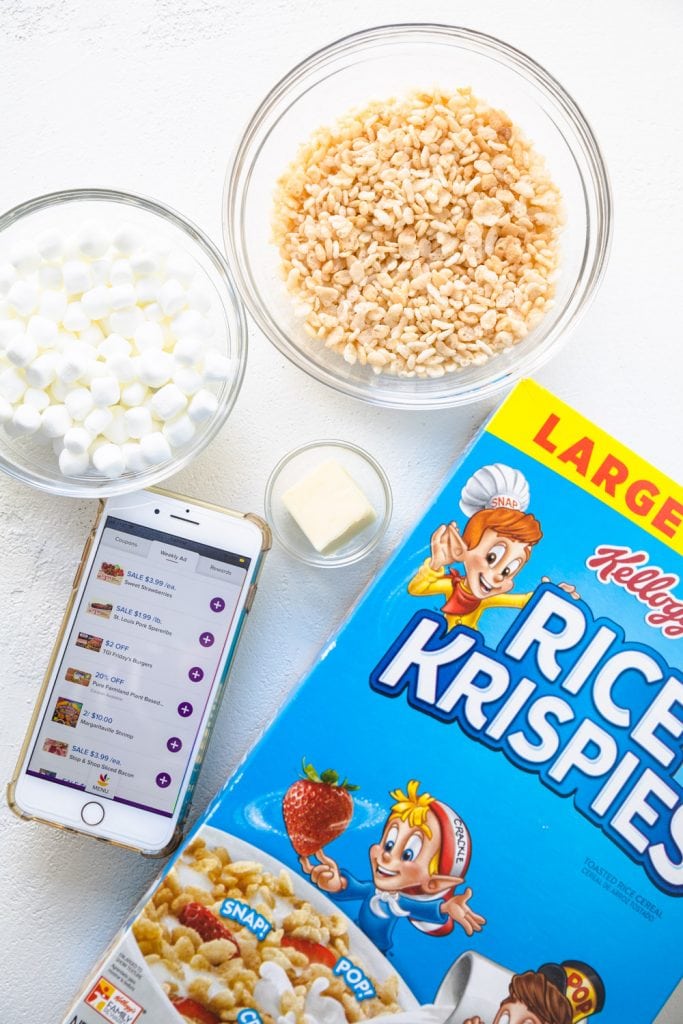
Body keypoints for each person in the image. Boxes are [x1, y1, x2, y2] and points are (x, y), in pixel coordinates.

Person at [301, 779, 485, 955]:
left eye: (407, 855)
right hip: (350, 933)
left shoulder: (399, 903)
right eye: (388, 844)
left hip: (374, 952)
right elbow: (355, 888)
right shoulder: (375, 891)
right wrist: (337, 883)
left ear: (434, 883)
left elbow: (423, 909)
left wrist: (447, 908)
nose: (387, 855)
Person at [408, 463, 578, 632]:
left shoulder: (484, 599)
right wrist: (435, 565)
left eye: (507, 571)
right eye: (491, 558)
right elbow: (417, 589)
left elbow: (522, 601)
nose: (498, 576)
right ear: (460, 548)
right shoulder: (452, 586)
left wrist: (553, 599)